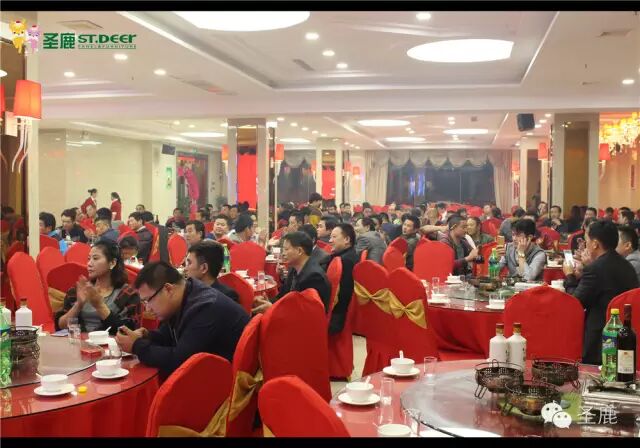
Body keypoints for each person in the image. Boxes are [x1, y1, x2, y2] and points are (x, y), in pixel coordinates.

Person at [115, 261, 249, 379]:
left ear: (168, 289)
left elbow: (180, 361)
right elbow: (170, 337)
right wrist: (147, 336)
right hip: (210, 372)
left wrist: (136, 346)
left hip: (228, 382)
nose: (147, 308)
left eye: (148, 300)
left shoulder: (205, 307)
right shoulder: (186, 293)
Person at [563, 220, 639, 365]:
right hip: (627, 335)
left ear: (595, 244)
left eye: (586, 241)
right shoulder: (626, 265)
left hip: (601, 339)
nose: (585, 245)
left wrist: (569, 276)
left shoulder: (595, 269)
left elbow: (575, 303)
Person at [55, 240, 141, 334]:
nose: (89, 263)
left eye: (95, 258)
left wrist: (99, 305)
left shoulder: (128, 294)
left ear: (112, 263)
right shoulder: (79, 290)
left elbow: (128, 332)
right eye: (89, 259)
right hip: (79, 341)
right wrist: (78, 305)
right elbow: (60, 326)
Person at [252, 232, 331, 315]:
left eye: (286, 249)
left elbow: (304, 312)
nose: (283, 253)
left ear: (299, 251)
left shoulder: (314, 277)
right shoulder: (294, 269)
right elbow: (283, 297)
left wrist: (272, 308)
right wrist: (267, 301)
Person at [327, 223, 358, 334]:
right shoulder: (344, 255)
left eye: (334, 237)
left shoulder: (345, 261)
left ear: (347, 239)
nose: (330, 240)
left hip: (336, 315)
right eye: (330, 237)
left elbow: (343, 294)